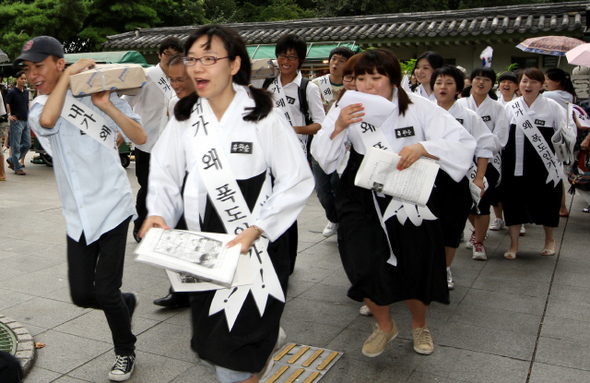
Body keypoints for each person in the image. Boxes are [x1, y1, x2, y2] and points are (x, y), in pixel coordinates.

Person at [139, 25, 314, 383]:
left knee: (238, 343)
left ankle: (258, 350)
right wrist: (158, 210)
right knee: (212, 337)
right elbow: (165, 172)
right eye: (193, 60)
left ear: (234, 65)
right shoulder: (185, 116)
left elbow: (297, 178)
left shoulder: (263, 114)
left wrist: (259, 227)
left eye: (209, 59)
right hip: (205, 240)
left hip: (255, 238)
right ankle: (263, 347)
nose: (198, 68)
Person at [312, 48, 475, 357]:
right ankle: (385, 324)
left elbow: (463, 142)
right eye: (361, 78)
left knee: (415, 262)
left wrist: (423, 147)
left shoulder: (419, 107)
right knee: (359, 261)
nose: (368, 85)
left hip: (407, 193)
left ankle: (419, 325)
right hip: (360, 193)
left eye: (376, 77)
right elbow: (324, 157)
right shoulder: (346, 107)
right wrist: (338, 127)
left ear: (393, 79)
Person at [16, 35, 146, 381]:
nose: (33, 75)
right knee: (82, 294)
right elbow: (48, 121)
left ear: (58, 63)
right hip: (79, 215)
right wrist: (73, 74)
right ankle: (124, 303)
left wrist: (105, 104)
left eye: (39, 66)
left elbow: (139, 136)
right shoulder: (37, 108)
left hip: (114, 206)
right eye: (28, 69)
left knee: (104, 289)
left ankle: (125, 351)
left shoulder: (98, 90)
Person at [253, 33, 325, 274]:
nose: (286, 60)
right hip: (265, 155)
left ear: (300, 60)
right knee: (267, 204)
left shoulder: (308, 88)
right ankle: (269, 254)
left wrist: (292, 130)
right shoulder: (266, 83)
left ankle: (286, 262)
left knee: (287, 207)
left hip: (293, 155)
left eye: (292, 57)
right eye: (283, 55)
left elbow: (319, 124)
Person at [431, 65, 499, 289]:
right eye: (439, 82)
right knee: (428, 226)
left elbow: (485, 147)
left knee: (452, 227)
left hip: (457, 180)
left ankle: (445, 269)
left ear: (459, 88)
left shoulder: (468, 116)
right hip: (427, 178)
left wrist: (479, 178)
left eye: (449, 83)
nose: (443, 87)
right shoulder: (424, 112)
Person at [123, 36, 183, 242]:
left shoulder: (182, 78)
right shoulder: (147, 76)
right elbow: (126, 103)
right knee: (147, 187)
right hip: (147, 143)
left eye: (176, 54)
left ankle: (162, 226)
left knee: (168, 187)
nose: (171, 58)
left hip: (172, 145)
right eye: (167, 53)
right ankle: (140, 227)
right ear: (159, 55)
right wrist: (124, 132)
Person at [502, 68, 567, 259]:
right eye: (524, 81)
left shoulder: (553, 107)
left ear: (542, 85)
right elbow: (502, 136)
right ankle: (513, 245)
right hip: (515, 164)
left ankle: (549, 240)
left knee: (547, 201)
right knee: (513, 202)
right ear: (518, 84)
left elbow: (565, 132)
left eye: (533, 82)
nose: (528, 86)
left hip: (544, 166)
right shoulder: (510, 107)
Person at [152, 53, 195, 309]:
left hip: (206, 182)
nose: (176, 85)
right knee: (178, 234)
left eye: (181, 79)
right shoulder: (175, 104)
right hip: (180, 181)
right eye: (171, 80)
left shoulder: (212, 104)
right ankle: (180, 290)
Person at [457, 67, 509, 260]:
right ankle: (475, 231)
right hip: (461, 161)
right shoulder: (460, 104)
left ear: (491, 84)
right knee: (467, 202)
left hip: (487, 162)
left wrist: (480, 147)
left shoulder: (497, 108)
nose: (481, 82)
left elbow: (500, 138)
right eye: (477, 78)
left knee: (483, 203)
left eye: (486, 79)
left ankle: (479, 242)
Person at [311, 47, 354, 237]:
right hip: (321, 142)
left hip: (346, 150)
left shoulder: (356, 92)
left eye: (341, 60)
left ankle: (342, 222)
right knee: (322, 190)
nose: (336, 63)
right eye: (333, 59)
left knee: (338, 186)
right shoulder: (315, 85)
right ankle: (334, 217)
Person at [543, 68, 578, 218]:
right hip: (567, 137)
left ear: (557, 82)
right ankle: (562, 207)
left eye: (547, 79)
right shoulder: (571, 96)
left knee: (553, 173)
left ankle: (560, 206)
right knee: (559, 171)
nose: (544, 83)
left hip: (552, 137)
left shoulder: (548, 95)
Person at [5, 71, 30, 175]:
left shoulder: (26, 92)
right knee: (15, 145)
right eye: (21, 79)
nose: (23, 80)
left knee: (27, 144)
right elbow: (7, 104)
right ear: (17, 79)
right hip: (16, 121)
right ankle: (17, 167)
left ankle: (12, 159)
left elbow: (27, 103)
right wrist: (9, 115)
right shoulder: (12, 92)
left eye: (25, 79)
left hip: (25, 120)